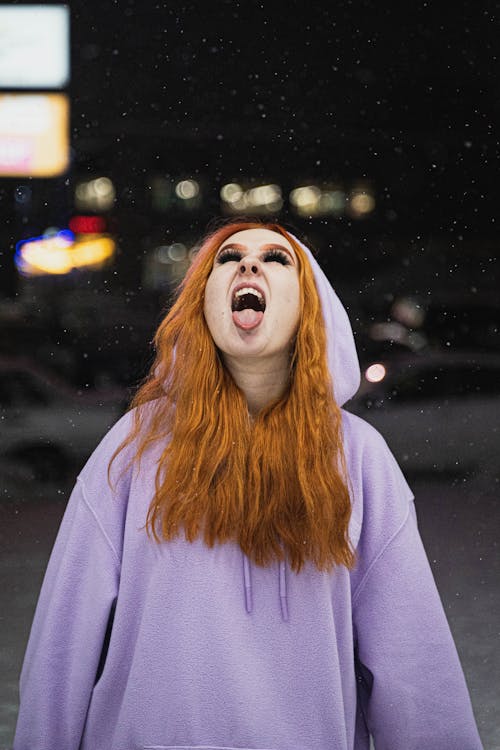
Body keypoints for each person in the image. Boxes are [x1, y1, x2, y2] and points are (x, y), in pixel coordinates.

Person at [13, 220, 483, 750]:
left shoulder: (357, 456)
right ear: (202, 303)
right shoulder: (136, 445)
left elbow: (414, 662)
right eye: (228, 257)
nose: (249, 264)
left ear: (311, 307)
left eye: (277, 259)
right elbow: (64, 641)